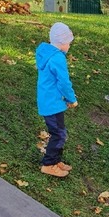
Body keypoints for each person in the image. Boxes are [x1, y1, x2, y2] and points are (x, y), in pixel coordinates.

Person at [36, 22, 77, 178]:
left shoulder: (46, 53)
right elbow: (64, 82)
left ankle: (56, 160)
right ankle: (48, 164)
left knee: (60, 132)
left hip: (49, 100)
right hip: (52, 103)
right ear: (61, 43)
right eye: (68, 43)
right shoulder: (58, 58)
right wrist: (71, 99)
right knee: (59, 134)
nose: (69, 46)